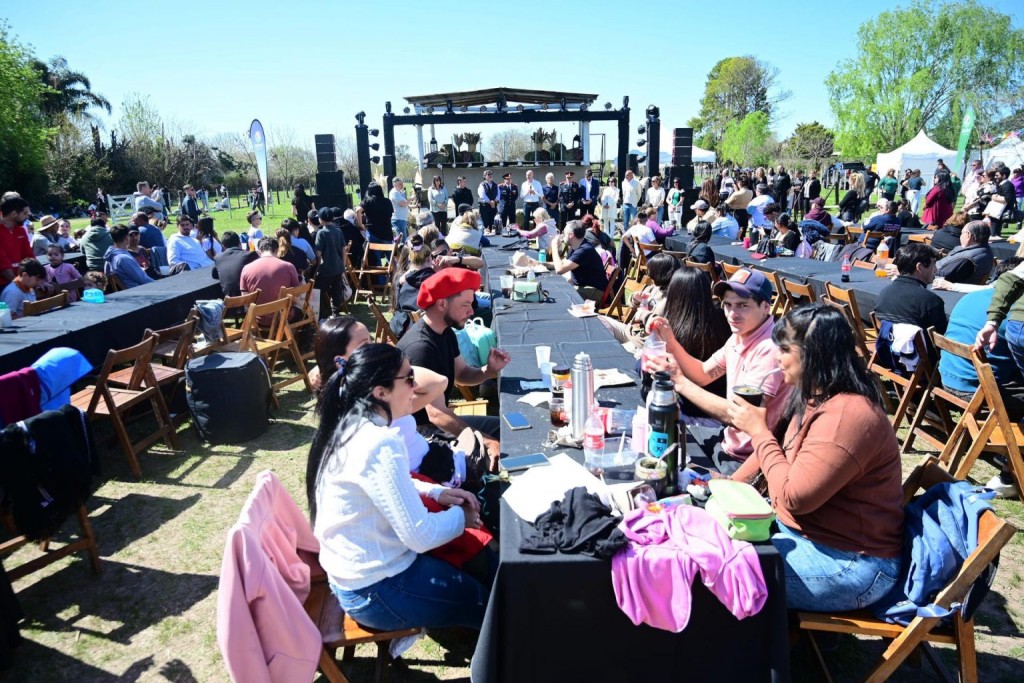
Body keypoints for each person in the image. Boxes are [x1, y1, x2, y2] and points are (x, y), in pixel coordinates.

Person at [726, 305, 904, 610]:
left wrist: (758, 431)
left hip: (850, 563)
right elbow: (780, 449)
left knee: (720, 572)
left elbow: (796, 498)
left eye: (784, 349)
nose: (777, 357)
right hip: (809, 536)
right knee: (711, 545)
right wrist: (725, 486)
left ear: (813, 353)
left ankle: (754, 655)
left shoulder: (847, 415)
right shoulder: (815, 393)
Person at [307, 343, 491, 632]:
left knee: (476, 577)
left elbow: (388, 482)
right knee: (488, 603)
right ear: (380, 392)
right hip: (375, 590)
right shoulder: (379, 442)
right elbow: (421, 535)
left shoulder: (347, 423)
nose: (416, 386)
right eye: (408, 379)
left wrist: (435, 492)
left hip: (357, 579)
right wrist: (463, 519)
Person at [646, 267, 791, 474]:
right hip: (728, 441)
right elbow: (704, 374)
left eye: (743, 306)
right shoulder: (741, 335)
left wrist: (679, 380)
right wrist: (670, 341)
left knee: (670, 468)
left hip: (747, 459)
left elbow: (740, 416)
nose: (732, 314)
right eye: (728, 305)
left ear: (766, 306)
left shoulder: (769, 349)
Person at [397, 269, 509, 452]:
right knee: (498, 442)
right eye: (465, 304)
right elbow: (436, 415)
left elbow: (462, 374)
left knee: (505, 431)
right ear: (441, 304)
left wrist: (488, 370)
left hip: (438, 423)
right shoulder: (420, 348)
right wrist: (486, 441)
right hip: (421, 435)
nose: (472, 311)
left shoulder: (445, 331)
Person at [939, 258, 1024, 498]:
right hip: (978, 391)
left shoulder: (969, 299)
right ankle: (1010, 472)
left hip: (948, 381)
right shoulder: (1010, 314)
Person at [661, 267, 731, 419]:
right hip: (721, 406)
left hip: (689, 409)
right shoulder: (725, 320)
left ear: (673, 293)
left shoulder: (672, 328)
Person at [599, 252, 680, 344]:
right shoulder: (654, 288)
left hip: (642, 342)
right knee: (599, 320)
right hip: (631, 331)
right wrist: (635, 299)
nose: (649, 275)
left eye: (651, 271)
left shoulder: (671, 299)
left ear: (659, 273)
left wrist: (642, 314)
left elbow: (657, 326)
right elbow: (633, 306)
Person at [873, 243, 947, 335]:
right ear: (919, 267)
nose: (936, 270)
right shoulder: (931, 301)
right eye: (933, 265)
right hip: (920, 349)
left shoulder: (884, 293)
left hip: (887, 348)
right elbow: (942, 338)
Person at [240, 237, 301, 322]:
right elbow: (296, 295)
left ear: (259, 251)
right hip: (283, 317)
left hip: (257, 319)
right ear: (277, 250)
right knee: (302, 313)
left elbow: (245, 300)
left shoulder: (246, 268)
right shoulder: (288, 266)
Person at [551, 221, 609, 304]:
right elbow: (563, 264)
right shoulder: (575, 246)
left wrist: (554, 247)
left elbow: (560, 269)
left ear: (571, 235)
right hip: (583, 287)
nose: (562, 235)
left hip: (593, 290)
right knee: (557, 292)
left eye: (564, 232)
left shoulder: (584, 250)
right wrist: (540, 264)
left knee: (561, 298)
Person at [935, 220, 994, 286]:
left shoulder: (966, 259)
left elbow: (941, 275)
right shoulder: (984, 250)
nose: (960, 236)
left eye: (962, 233)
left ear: (968, 235)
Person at [313, 207, 347, 321]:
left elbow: (318, 253)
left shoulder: (321, 232)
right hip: (338, 266)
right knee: (337, 289)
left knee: (320, 290)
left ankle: (322, 313)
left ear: (321, 219)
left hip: (326, 268)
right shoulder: (338, 230)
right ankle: (336, 312)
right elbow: (344, 249)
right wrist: (343, 263)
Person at [103, 224, 153, 289]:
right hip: (139, 291)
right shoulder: (123, 258)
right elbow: (144, 280)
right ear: (126, 238)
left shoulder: (109, 257)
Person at [212, 231, 257, 298]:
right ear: (239, 243)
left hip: (229, 301)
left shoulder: (218, 258)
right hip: (247, 297)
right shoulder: (249, 255)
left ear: (223, 245)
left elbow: (214, 275)